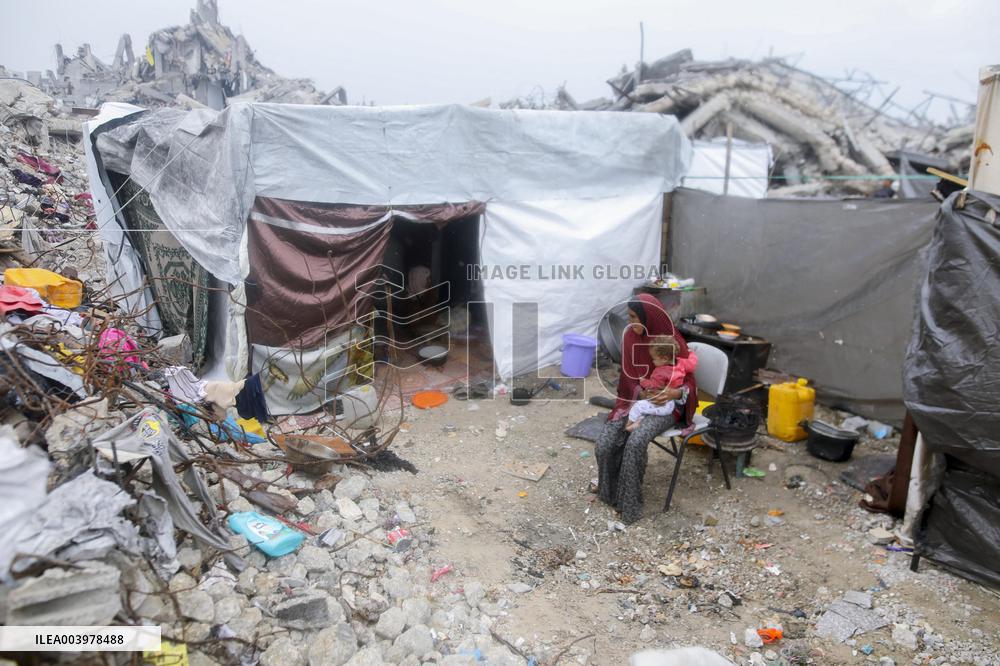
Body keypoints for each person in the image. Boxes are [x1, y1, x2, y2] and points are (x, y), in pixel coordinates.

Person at [595, 294, 697, 524]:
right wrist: (641, 393)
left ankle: (630, 505)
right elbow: (628, 377)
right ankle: (609, 494)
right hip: (636, 402)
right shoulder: (630, 337)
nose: (631, 323)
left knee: (636, 441)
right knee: (605, 444)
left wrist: (675, 393)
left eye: (634, 317)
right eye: (629, 317)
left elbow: (689, 381)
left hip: (667, 406)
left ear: (648, 316)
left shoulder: (671, 340)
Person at [625, 335, 698, 432]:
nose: (652, 361)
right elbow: (692, 363)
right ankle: (638, 423)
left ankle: (629, 426)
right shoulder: (682, 363)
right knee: (647, 409)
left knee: (638, 405)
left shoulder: (660, 372)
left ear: (664, 358)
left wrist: (643, 381)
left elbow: (654, 385)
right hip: (672, 403)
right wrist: (691, 353)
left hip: (664, 404)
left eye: (654, 359)